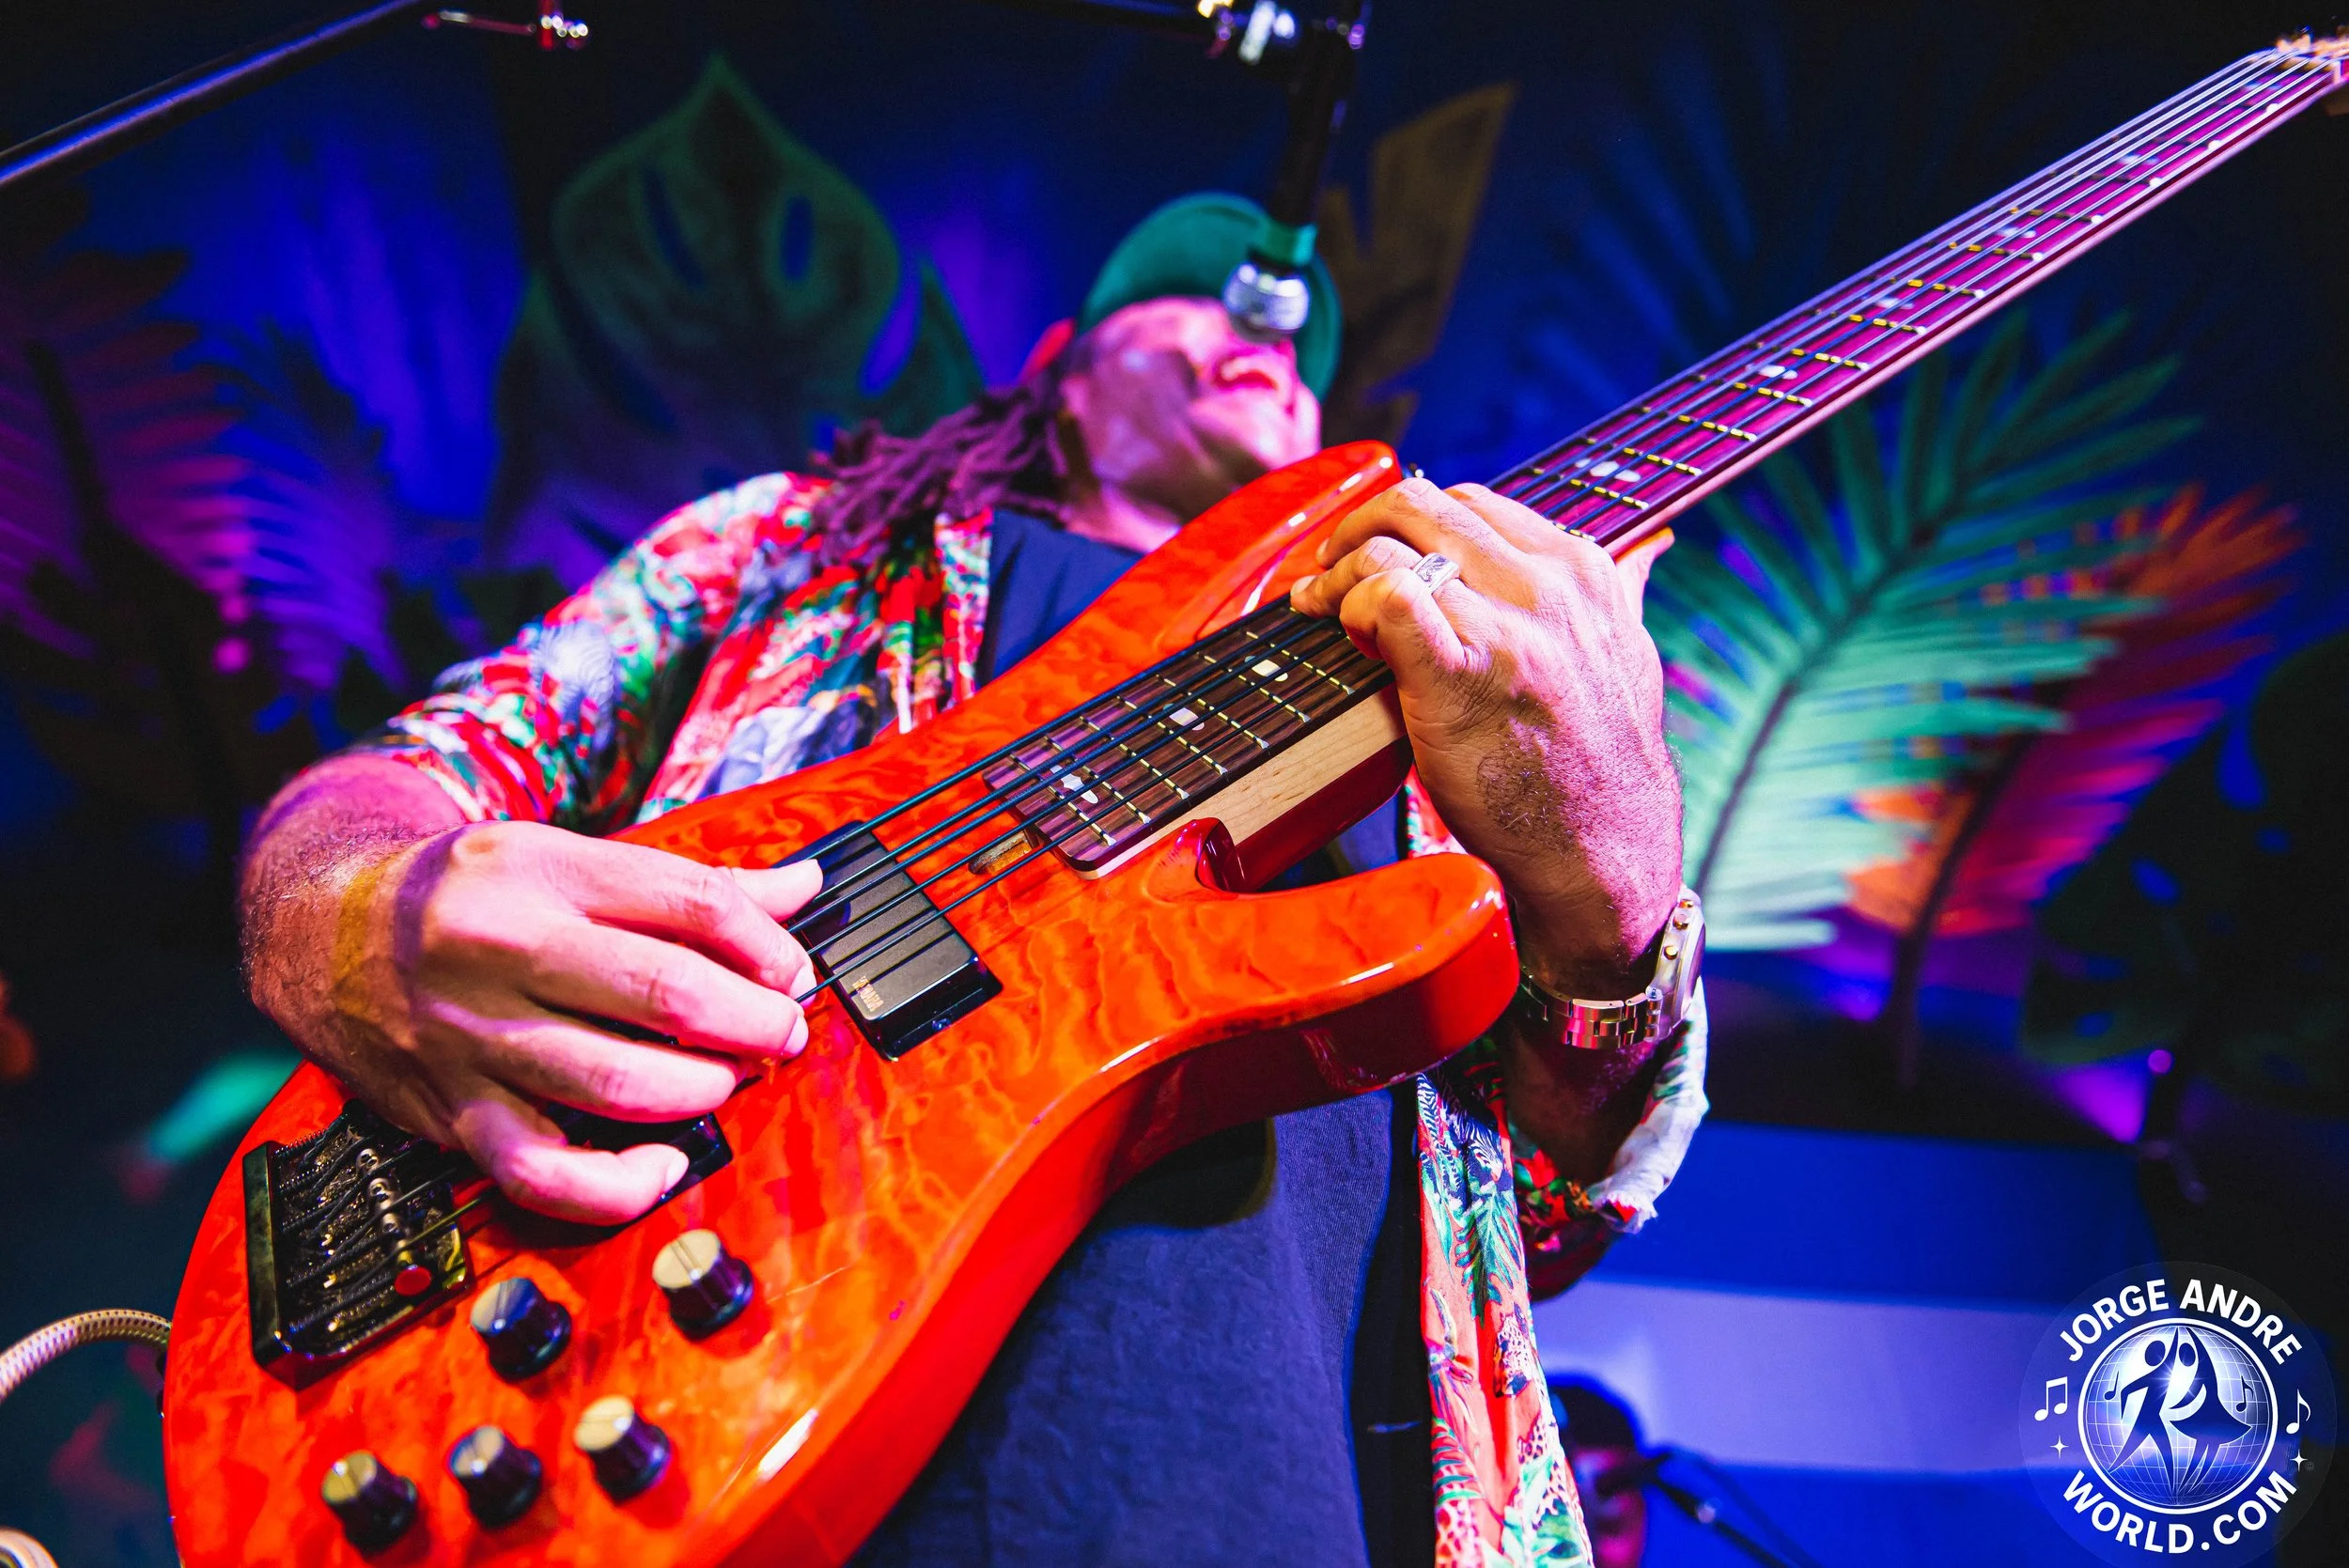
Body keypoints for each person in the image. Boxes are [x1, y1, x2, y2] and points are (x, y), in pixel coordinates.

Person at [239, 193, 1708, 1565]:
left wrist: (1620, 879)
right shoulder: (800, 543)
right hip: (656, 1350)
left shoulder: (1462, 717)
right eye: (1193, 300)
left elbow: (1535, 1225)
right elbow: (436, 764)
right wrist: (347, 913)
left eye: (1299, 347)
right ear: (1064, 369)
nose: (1266, 333)